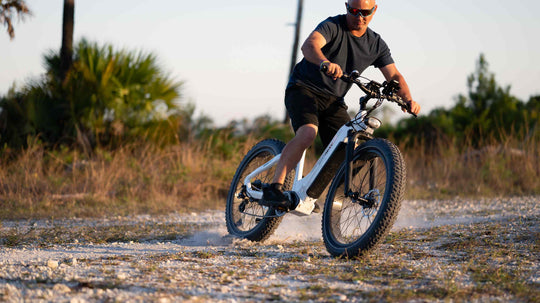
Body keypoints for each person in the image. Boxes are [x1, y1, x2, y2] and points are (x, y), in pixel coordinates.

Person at [261, 0, 421, 210]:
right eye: (353, 11)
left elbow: (394, 75)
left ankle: (311, 192)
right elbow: (309, 45)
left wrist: (408, 99)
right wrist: (324, 63)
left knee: (351, 150)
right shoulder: (333, 26)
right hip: (303, 88)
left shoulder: (375, 43)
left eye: (365, 12)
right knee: (308, 133)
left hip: (333, 100)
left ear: (375, 10)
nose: (359, 17)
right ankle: (274, 188)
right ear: (346, 7)